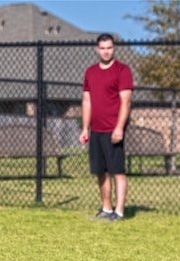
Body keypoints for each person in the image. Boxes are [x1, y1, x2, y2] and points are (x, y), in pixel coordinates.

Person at [79, 33, 134, 221]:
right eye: (102, 48)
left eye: (109, 48)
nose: (106, 51)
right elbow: (87, 102)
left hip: (113, 130)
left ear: (114, 48)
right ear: (97, 49)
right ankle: (106, 208)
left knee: (117, 170)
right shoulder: (90, 72)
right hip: (96, 130)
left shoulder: (122, 70)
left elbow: (125, 102)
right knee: (100, 171)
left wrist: (119, 127)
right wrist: (85, 128)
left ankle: (119, 211)